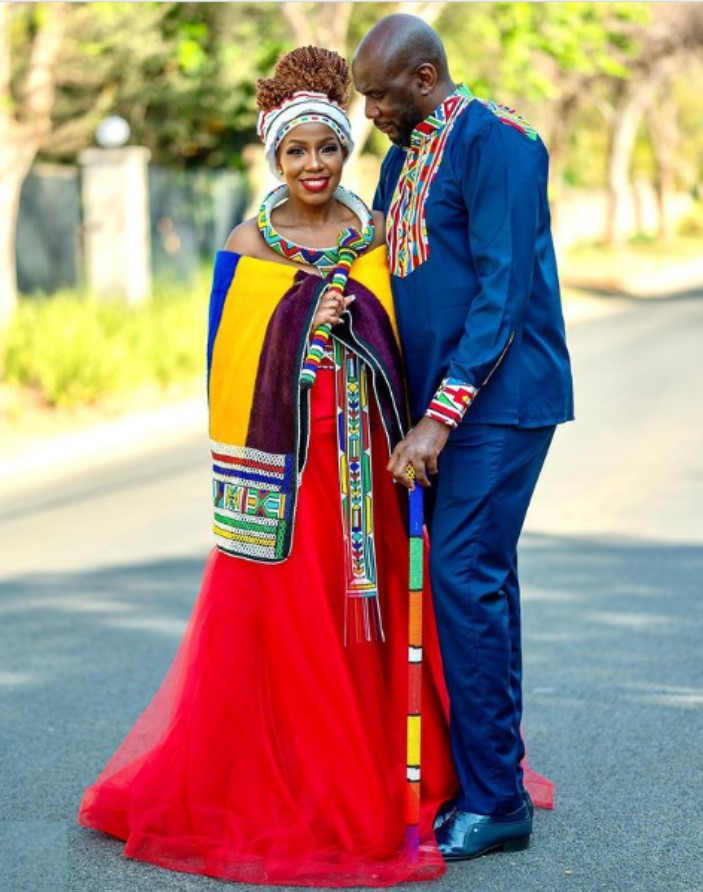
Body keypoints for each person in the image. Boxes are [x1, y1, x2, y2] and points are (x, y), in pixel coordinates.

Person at [77, 47, 460, 887]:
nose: (313, 165)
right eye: (296, 151)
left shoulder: (371, 234)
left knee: (366, 621)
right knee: (286, 629)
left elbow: (407, 339)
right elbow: (226, 363)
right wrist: (299, 314)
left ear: (344, 152)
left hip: (366, 465)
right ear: (273, 155)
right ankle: (282, 783)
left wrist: (352, 308)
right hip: (288, 476)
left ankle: (385, 774)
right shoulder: (247, 242)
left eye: (327, 147)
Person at [353, 15, 574, 861]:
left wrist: (437, 420)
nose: (367, 110)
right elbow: (381, 258)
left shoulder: (502, 143)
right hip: (436, 410)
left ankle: (494, 801)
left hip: (500, 402)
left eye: (376, 93)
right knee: (481, 580)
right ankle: (494, 772)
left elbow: (503, 292)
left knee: (462, 576)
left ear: (421, 77)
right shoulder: (400, 152)